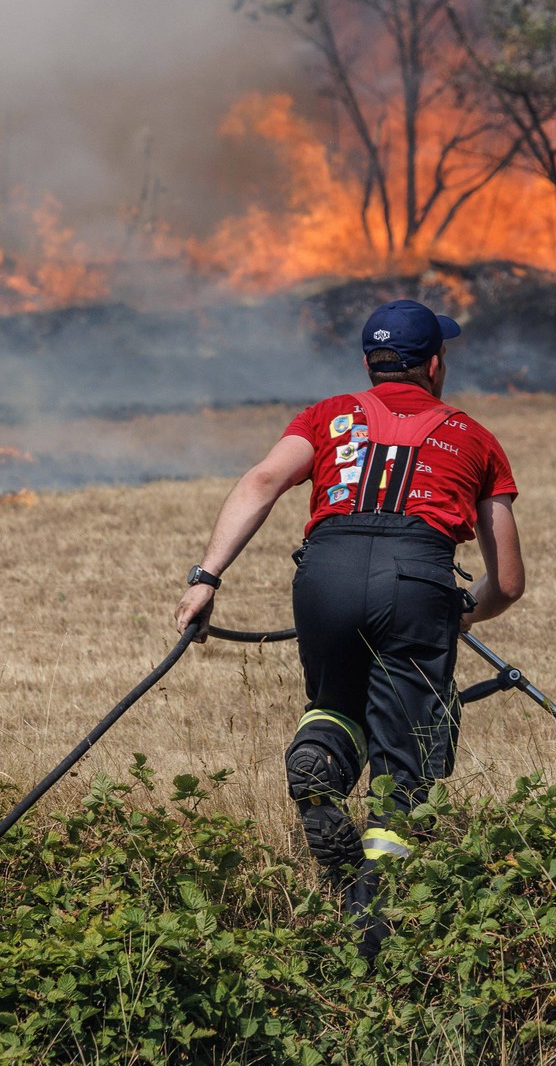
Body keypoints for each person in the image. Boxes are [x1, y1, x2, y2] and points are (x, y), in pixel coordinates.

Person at [173, 299, 525, 951]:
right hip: (417, 578)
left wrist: (206, 579)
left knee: (335, 703)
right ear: (436, 364)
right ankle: (371, 923)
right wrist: (457, 608)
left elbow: (261, 481)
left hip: (325, 574)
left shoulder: (328, 416)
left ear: (370, 363)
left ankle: (319, 764)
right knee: (404, 757)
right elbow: (507, 581)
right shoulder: (474, 438)